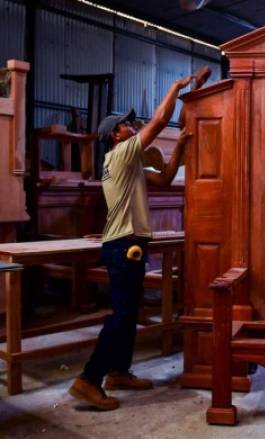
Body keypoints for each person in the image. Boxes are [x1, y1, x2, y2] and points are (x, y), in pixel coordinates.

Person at [68, 67, 211, 410]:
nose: (132, 126)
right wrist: (178, 85)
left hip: (127, 244)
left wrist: (179, 146)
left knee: (129, 313)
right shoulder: (119, 156)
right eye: (126, 125)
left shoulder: (128, 165)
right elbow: (159, 122)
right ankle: (89, 378)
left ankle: (118, 371)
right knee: (121, 314)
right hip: (122, 246)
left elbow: (163, 179)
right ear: (116, 135)